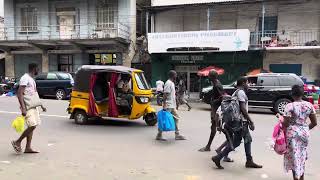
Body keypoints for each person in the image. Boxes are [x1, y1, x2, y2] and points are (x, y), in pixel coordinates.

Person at [212, 77, 262, 169]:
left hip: (238, 121)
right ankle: (219, 157)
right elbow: (243, 108)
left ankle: (248, 160)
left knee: (242, 141)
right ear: (243, 83)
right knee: (242, 140)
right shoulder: (241, 92)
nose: (249, 84)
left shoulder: (236, 92)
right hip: (241, 122)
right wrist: (250, 121)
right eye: (248, 83)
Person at [283, 85, 317, 180]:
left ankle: (296, 178)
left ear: (292, 94)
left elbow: (286, 124)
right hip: (304, 134)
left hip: (292, 134)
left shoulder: (289, 106)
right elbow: (314, 123)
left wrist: (281, 120)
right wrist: (304, 129)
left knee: (294, 157)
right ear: (302, 94)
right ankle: (302, 177)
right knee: (301, 156)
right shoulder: (309, 105)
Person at [11, 64, 46, 154]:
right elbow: (19, 93)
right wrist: (23, 108)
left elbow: (35, 93)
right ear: (34, 69)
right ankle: (17, 142)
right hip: (27, 106)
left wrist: (41, 105)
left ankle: (28, 147)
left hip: (33, 105)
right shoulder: (25, 78)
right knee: (32, 125)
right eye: (38, 69)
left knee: (32, 126)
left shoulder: (32, 79)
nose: (38, 70)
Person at [156, 70, 186, 141]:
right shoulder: (168, 83)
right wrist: (164, 105)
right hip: (168, 105)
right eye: (175, 75)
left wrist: (176, 102)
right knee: (164, 119)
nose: (176, 76)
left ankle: (177, 134)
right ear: (173, 75)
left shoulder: (171, 83)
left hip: (172, 105)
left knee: (176, 118)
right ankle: (159, 135)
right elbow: (165, 94)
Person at [199, 70, 225, 152]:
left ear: (212, 77)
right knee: (215, 127)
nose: (208, 77)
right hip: (215, 109)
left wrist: (213, 102)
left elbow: (222, 98)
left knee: (220, 127)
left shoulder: (217, 85)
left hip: (216, 110)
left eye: (209, 75)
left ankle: (228, 145)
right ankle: (209, 146)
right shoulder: (216, 83)